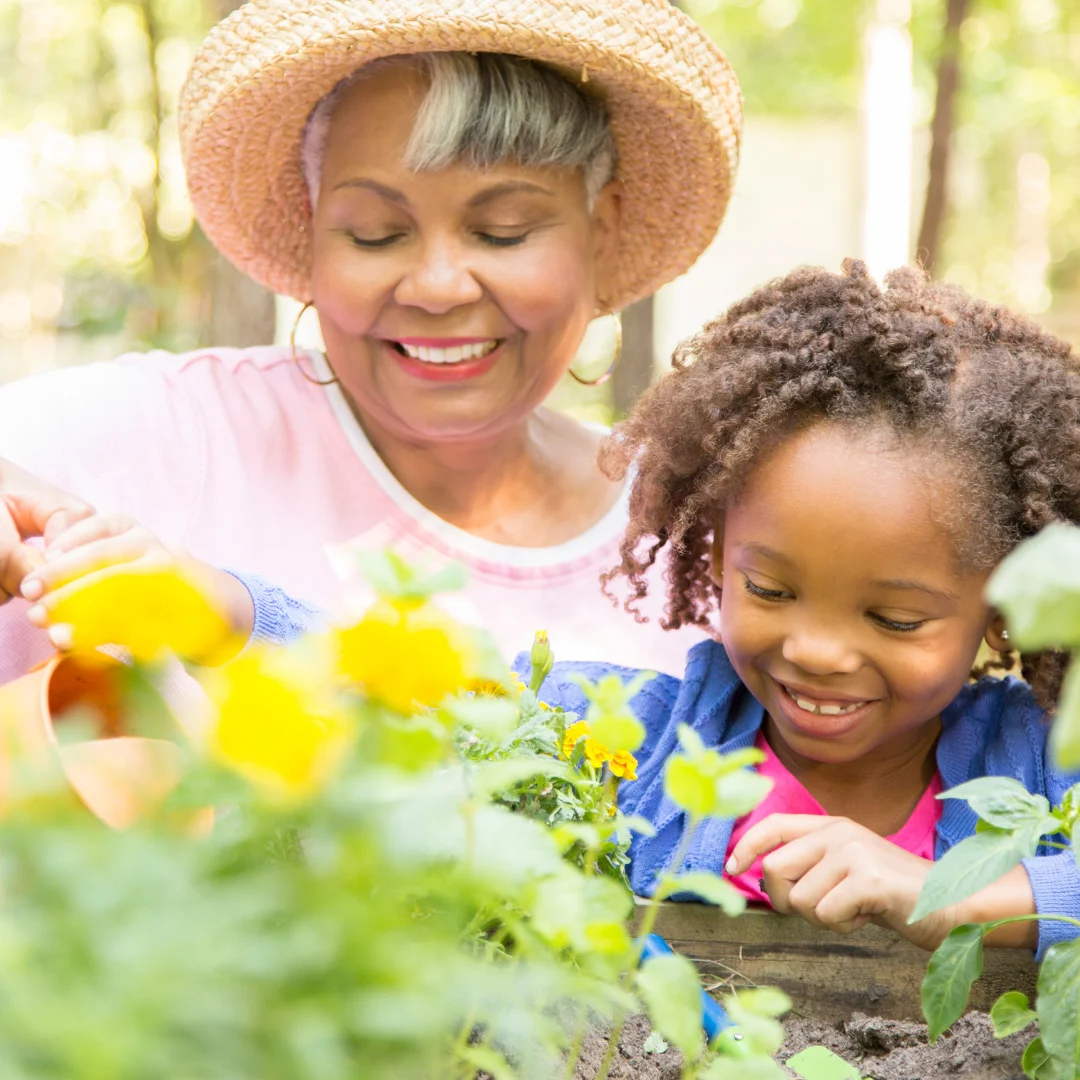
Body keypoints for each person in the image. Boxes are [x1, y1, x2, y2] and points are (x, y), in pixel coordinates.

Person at [24, 260, 1080, 958]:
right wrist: (224, 610)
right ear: (715, 547)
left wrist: (975, 892)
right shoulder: (642, 744)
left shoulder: (1039, 772)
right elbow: (453, 699)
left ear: (1002, 610)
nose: (815, 648)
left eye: (894, 620)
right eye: (769, 589)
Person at [0, 0, 743, 684]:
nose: (439, 285)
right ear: (314, 223)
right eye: (376, 233)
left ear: (602, 229)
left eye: (502, 231)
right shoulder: (174, 437)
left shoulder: (702, 539)